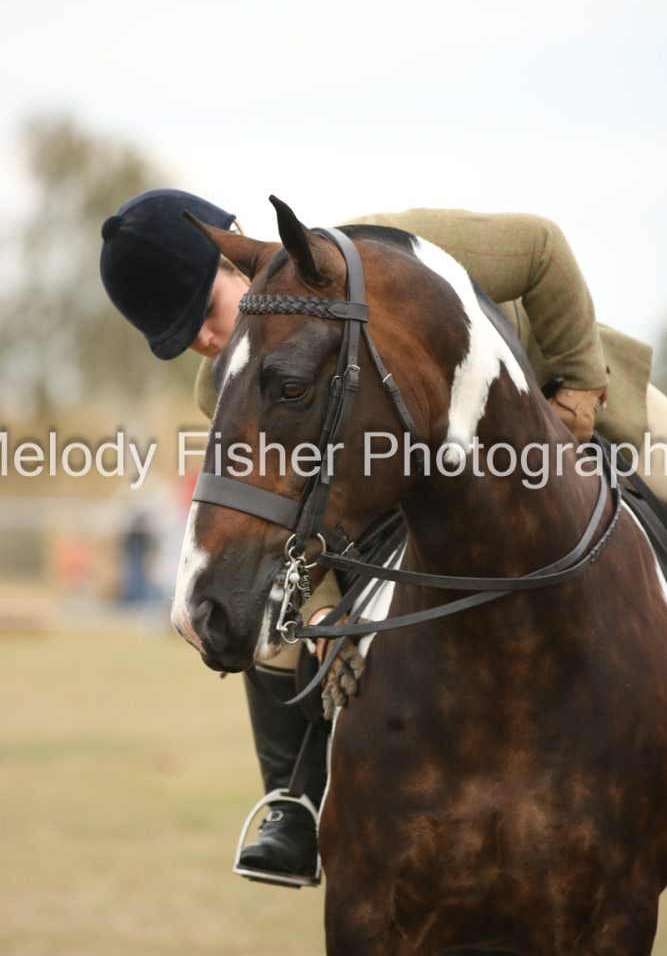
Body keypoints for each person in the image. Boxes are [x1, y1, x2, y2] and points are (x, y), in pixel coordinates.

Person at [100, 189, 667, 885]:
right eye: (182, 339)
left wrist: (579, 388)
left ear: (238, 253)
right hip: (413, 493)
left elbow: (543, 249)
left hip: (557, 387)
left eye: (205, 314)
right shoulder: (227, 383)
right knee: (268, 608)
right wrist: (320, 613)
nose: (205, 343)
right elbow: (296, 509)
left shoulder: (398, 249)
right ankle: (294, 806)